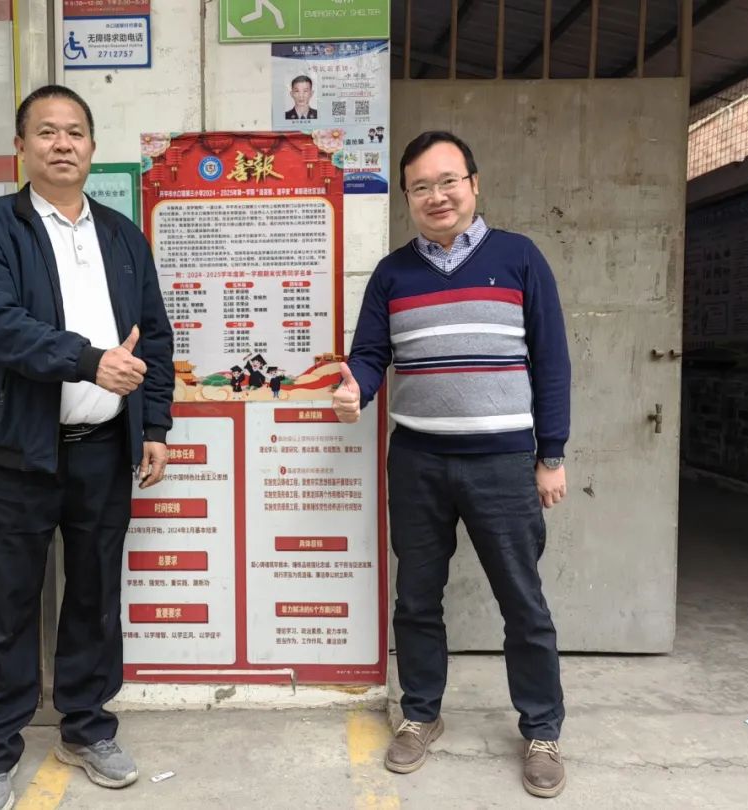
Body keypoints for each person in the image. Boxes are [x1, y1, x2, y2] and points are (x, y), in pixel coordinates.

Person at [0, 84, 174, 810]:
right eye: (46, 132)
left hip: (103, 449)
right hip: (19, 452)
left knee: (95, 596)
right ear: (22, 147)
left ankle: (86, 726)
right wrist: (88, 361)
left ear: (92, 146)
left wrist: (156, 426)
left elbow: (154, 335)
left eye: (75, 131)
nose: (62, 144)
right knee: (6, 604)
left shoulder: (121, 235)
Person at [332, 130, 570, 798]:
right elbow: (370, 354)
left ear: (473, 184)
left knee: (522, 601)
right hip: (418, 461)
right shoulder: (392, 273)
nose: (436, 196)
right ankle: (420, 715)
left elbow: (552, 360)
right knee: (416, 597)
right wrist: (356, 389)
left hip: (503, 462)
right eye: (421, 186)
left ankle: (542, 730)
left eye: (448, 181)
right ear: (407, 196)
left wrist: (551, 454)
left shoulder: (519, 258)